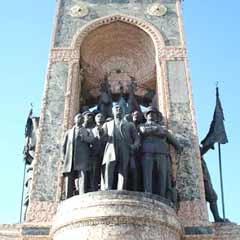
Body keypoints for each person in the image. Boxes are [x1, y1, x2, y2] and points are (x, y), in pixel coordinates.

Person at [139, 106, 182, 198]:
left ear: (157, 117)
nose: (151, 115)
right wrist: (158, 130)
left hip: (162, 153)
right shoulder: (141, 126)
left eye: (153, 114)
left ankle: (162, 196)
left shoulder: (163, 128)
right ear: (146, 116)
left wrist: (178, 146)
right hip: (147, 152)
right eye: (149, 113)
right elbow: (143, 131)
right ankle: (148, 194)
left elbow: (173, 141)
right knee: (147, 175)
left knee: (162, 175)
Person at [101, 104, 140, 190]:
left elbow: (137, 138)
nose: (118, 109)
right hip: (111, 148)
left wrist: (134, 146)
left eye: (120, 108)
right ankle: (107, 188)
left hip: (124, 148)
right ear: (112, 111)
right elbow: (102, 138)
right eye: (116, 108)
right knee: (109, 166)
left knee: (123, 169)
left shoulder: (130, 124)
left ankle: (121, 189)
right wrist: (101, 134)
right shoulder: (107, 124)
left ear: (124, 111)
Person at [62, 113, 95, 198]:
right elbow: (63, 146)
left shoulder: (87, 131)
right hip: (70, 158)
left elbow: (92, 140)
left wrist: (84, 138)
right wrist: (63, 157)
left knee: (82, 176)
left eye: (81, 117)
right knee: (69, 178)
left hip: (83, 158)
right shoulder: (68, 132)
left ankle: (82, 195)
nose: (80, 118)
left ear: (83, 120)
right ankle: (67, 197)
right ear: (74, 120)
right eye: (78, 117)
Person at [91, 113, 106, 190]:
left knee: (104, 171)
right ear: (95, 119)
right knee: (94, 172)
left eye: (101, 116)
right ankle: (94, 188)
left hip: (105, 153)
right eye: (98, 116)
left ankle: (104, 188)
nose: (100, 118)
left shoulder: (107, 129)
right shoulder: (91, 130)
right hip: (95, 154)